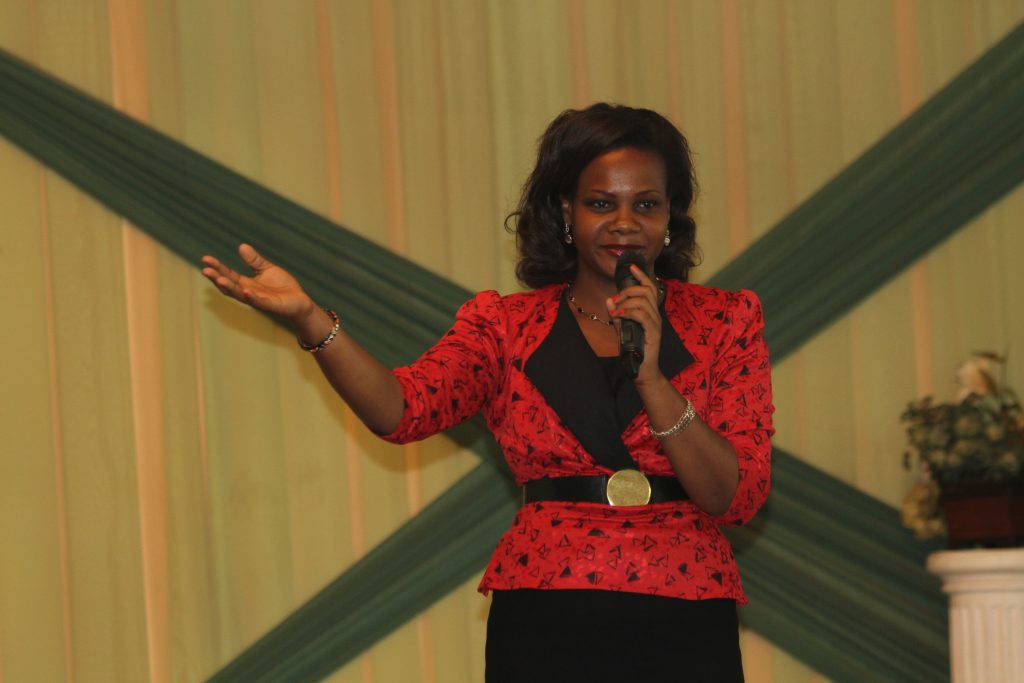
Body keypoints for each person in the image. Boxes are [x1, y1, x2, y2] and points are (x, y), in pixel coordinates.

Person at [202, 103, 773, 683]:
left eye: (646, 204)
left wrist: (652, 379)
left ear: (670, 214)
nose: (625, 223)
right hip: (547, 614)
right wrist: (311, 321)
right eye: (601, 204)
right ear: (566, 212)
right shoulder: (505, 326)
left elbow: (736, 496)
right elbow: (402, 409)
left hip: (686, 614)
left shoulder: (725, 320)